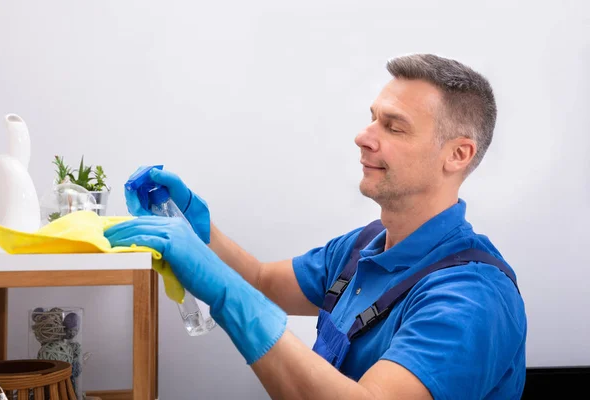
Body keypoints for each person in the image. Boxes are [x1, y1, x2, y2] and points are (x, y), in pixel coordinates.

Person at [105, 53, 527, 399]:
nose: (364, 136)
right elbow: (261, 280)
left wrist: (228, 296)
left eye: (393, 126)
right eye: (373, 118)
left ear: (457, 155)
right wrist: (201, 229)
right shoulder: (362, 248)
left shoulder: (471, 298)